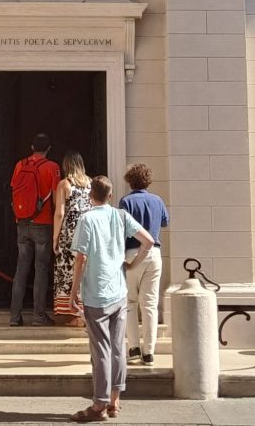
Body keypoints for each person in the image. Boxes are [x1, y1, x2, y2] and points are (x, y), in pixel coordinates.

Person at [69, 175, 154, 422]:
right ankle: (115, 401)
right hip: (119, 291)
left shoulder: (87, 219)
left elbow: (81, 258)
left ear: (90, 195)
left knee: (101, 351)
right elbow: (148, 241)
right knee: (118, 348)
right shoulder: (120, 216)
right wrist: (131, 265)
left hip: (97, 294)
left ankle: (99, 405)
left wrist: (74, 290)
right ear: (110, 194)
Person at [118, 163, 169, 366]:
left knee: (130, 302)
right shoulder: (157, 200)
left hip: (131, 252)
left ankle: (133, 348)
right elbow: (165, 222)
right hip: (154, 252)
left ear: (130, 180)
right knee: (149, 304)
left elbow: (122, 228)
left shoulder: (126, 201)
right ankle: (149, 351)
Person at [9, 132, 61, 327]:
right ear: (49, 148)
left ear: (31, 147)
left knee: (21, 268)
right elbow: (56, 198)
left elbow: (14, 190)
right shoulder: (52, 167)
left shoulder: (20, 165)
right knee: (41, 268)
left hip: (22, 222)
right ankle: (38, 316)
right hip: (43, 222)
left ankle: (15, 316)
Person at [53, 151, 92, 326]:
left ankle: (71, 314)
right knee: (84, 271)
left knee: (67, 273)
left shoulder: (64, 184)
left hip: (69, 234)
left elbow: (60, 213)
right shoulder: (91, 183)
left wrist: (55, 237)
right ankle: (84, 311)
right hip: (88, 232)